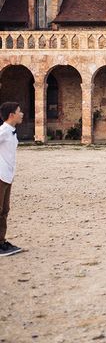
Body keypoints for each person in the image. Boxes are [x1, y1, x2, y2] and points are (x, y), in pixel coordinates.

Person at [0, 102, 24, 256]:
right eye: (19, 111)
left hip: (8, 176)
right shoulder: (2, 131)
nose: (21, 114)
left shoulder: (11, 132)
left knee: (4, 210)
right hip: (0, 175)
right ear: (11, 115)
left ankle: (1, 242)